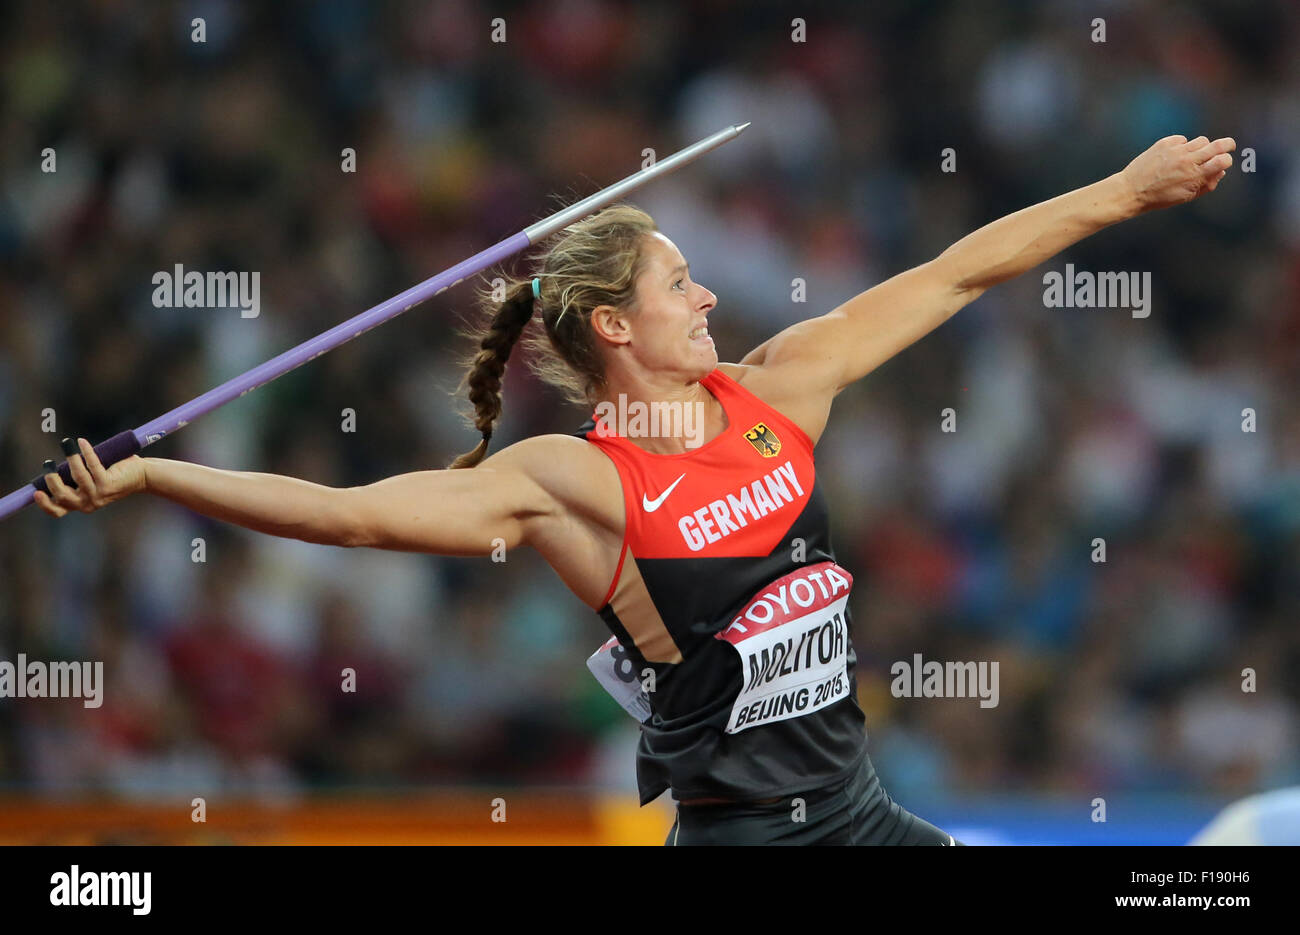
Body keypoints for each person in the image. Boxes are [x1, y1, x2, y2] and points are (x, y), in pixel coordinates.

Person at [36, 134, 1235, 845]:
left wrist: (1123, 194)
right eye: (680, 284)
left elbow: (954, 274)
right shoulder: (575, 483)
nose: (709, 297)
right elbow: (349, 514)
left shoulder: (779, 387)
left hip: (862, 814)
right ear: (616, 325)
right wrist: (152, 471)